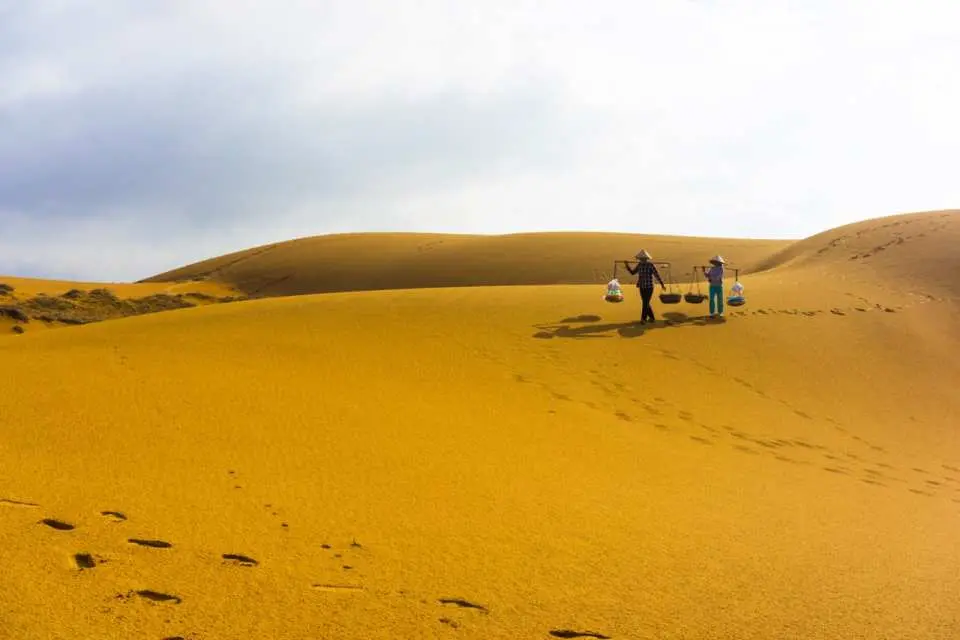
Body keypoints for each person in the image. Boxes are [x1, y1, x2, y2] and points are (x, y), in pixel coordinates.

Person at [626, 249, 666, 324]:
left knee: (645, 303)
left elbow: (656, 275)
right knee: (646, 303)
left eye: (643, 259)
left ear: (646, 259)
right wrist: (627, 265)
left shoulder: (650, 265)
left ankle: (643, 319)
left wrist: (662, 284)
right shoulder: (639, 265)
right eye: (641, 259)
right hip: (642, 286)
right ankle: (652, 318)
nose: (642, 260)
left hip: (649, 287)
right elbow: (632, 272)